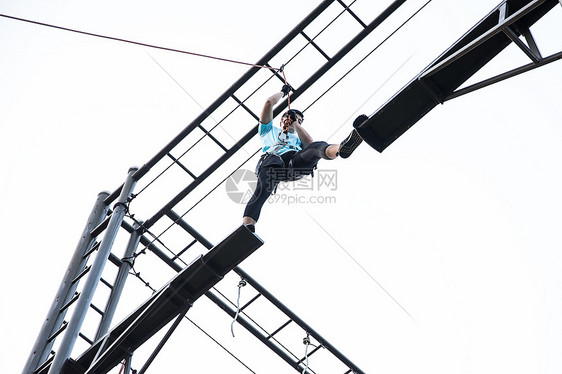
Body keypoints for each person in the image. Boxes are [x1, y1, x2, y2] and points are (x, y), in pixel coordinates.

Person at [242, 85, 367, 232]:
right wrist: (283, 92)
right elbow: (269, 102)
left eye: (300, 121)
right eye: (292, 118)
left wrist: (295, 123)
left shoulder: (297, 139)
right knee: (263, 189)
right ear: (282, 119)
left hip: (294, 164)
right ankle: (247, 226)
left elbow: (310, 143)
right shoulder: (267, 130)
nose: (296, 122)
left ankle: (341, 148)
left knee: (316, 148)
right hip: (272, 162)